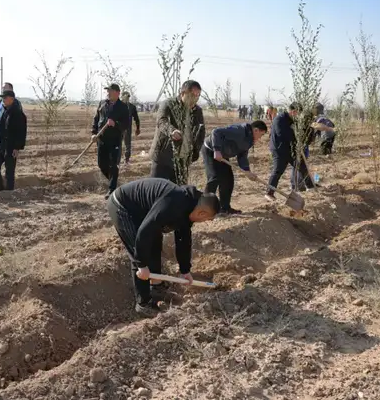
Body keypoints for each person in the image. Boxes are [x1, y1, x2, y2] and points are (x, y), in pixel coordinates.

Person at [107, 177, 219, 316]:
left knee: (155, 240)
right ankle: (143, 303)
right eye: (206, 219)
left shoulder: (189, 206)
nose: (204, 222)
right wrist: (141, 264)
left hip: (142, 211)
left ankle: (156, 287)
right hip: (122, 206)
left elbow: (183, 238)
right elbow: (145, 231)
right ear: (201, 213)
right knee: (139, 250)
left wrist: (185, 270)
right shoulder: (174, 202)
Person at [203, 120, 268, 215]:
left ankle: (224, 208)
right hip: (210, 150)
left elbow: (242, 156)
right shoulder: (239, 131)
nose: (260, 138)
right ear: (256, 130)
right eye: (261, 135)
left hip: (223, 155)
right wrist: (216, 150)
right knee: (214, 178)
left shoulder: (250, 140)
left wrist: (247, 170)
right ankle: (204, 209)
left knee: (228, 180)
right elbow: (216, 132)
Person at [149, 80, 205, 183]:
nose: (195, 99)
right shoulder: (168, 104)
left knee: (179, 192)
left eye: (198, 96)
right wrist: (172, 131)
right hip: (163, 157)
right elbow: (161, 121)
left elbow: (201, 132)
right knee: (155, 189)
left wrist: (195, 152)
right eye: (192, 95)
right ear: (183, 93)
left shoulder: (197, 111)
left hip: (182, 160)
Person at [267, 104, 314, 202]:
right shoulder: (279, 119)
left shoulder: (293, 120)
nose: (299, 116)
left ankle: (311, 187)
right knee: (278, 170)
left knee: (302, 165)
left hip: (290, 149)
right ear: (293, 111)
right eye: (298, 113)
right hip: (279, 149)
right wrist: (297, 138)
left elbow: (299, 132)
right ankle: (269, 193)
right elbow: (283, 134)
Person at [92, 84, 129, 198]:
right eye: (107, 91)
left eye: (110, 91)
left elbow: (126, 125)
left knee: (114, 165)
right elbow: (96, 118)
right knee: (101, 164)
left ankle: (112, 189)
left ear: (117, 93)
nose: (108, 93)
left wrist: (115, 124)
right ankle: (113, 181)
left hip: (115, 140)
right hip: (102, 139)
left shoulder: (123, 107)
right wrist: (94, 133)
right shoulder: (102, 104)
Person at [0, 90, 27, 191]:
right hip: (0, 146)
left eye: (5, 98)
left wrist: (17, 147)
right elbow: (0, 127)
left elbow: (22, 132)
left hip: (11, 147)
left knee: (9, 173)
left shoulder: (18, 113)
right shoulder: (4, 111)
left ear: (12, 99)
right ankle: (0, 190)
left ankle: (9, 193)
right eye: (2, 98)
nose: (3, 100)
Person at [121, 91, 141, 164]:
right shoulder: (117, 106)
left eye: (128, 97)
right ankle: (115, 160)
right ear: (122, 96)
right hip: (118, 128)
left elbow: (136, 118)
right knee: (117, 144)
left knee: (127, 145)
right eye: (126, 96)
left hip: (127, 128)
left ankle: (126, 160)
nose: (127, 98)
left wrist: (138, 128)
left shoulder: (132, 107)